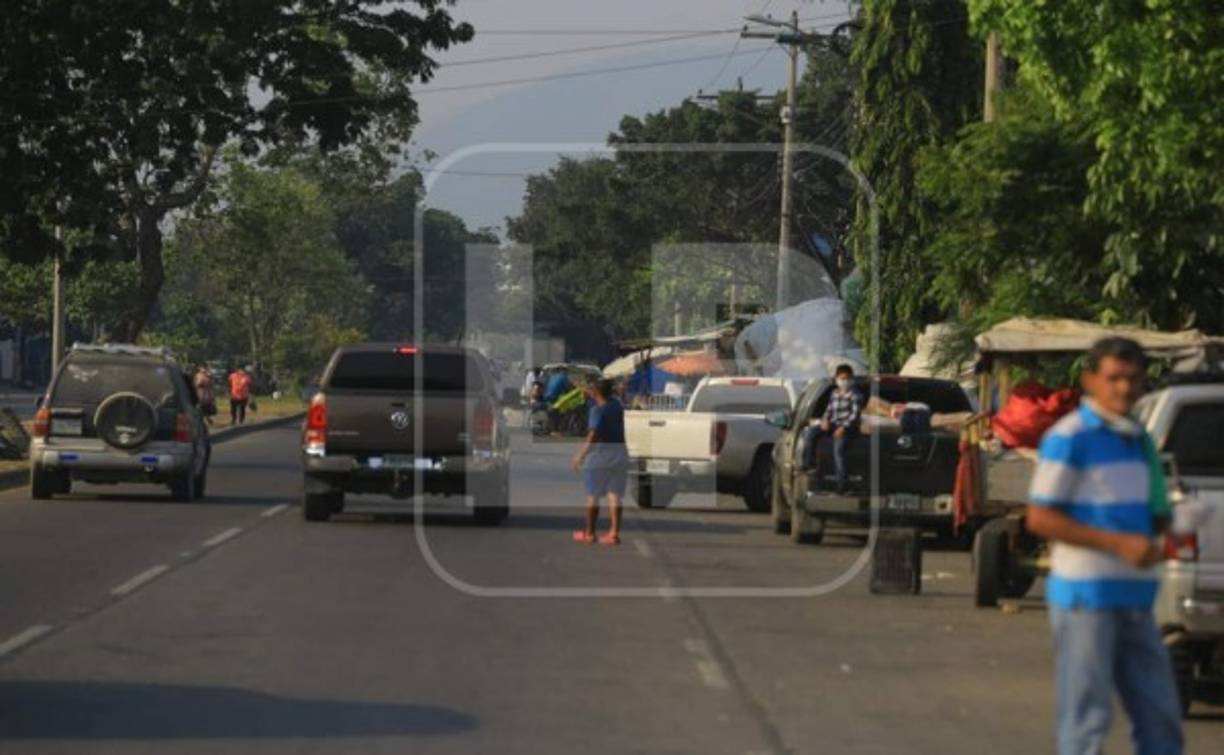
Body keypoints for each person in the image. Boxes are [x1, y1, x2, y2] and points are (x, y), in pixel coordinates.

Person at [1026, 337, 1183, 755]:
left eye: (1132, 379)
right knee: (1087, 722)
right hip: (1085, 599)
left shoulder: (1137, 438)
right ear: (1090, 380)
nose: (1124, 389)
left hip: (1136, 598)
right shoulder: (1069, 436)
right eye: (1114, 378)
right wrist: (1118, 543)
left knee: (1162, 719)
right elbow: (1040, 517)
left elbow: (1150, 513)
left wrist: (1178, 524)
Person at [571, 378, 628, 545]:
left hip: (600, 457)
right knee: (614, 494)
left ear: (596, 392)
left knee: (593, 495)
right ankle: (614, 533)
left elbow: (593, 436)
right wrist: (584, 387)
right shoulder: (617, 405)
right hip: (619, 454)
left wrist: (580, 455)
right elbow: (598, 392)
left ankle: (589, 533)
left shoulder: (597, 411)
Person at [809, 364, 861, 494]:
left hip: (848, 428)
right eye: (842, 378)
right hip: (833, 424)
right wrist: (825, 421)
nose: (844, 381)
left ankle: (842, 484)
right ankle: (808, 463)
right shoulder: (834, 394)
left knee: (839, 450)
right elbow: (829, 410)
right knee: (812, 433)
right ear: (836, 379)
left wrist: (843, 428)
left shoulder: (855, 395)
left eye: (847, 378)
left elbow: (855, 415)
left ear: (852, 379)